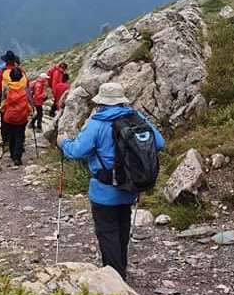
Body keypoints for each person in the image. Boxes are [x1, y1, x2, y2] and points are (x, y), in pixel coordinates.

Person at [58, 82, 164, 280]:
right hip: (130, 186)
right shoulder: (136, 117)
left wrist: (63, 142)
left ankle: (115, 279)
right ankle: (120, 268)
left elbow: (77, 151)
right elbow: (159, 143)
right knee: (122, 228)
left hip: (104, 191)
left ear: (102, 102)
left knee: (108, 233)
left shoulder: (97, 123)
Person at [0, 66, 31, 166]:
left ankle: (13, 155)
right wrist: (31, 111)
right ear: (21, 77)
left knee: (11, 135)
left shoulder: (7, 88)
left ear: (10, 76)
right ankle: (17, 157)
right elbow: (29, 101)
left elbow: (3, 101)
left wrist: (2, 109)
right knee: (19, 136)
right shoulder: (25, 89)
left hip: (9, 117)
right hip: (22, 117)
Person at [0, 50, 20, 146]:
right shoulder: (20, 71)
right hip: (19, 101)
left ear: (6, 61)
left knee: (4, 121)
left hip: (5, 101)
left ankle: (6, 141)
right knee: (17, 120)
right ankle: (17, 140)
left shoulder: (3, 72)